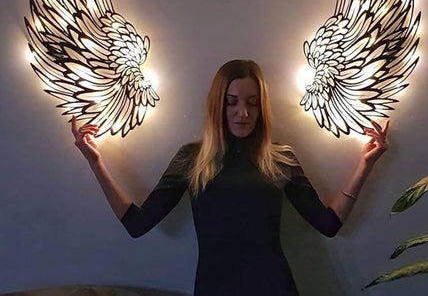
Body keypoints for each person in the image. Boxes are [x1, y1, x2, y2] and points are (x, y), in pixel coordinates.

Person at [72, 59, 388, 296]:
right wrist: (95, 162)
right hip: (215, 288)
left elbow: (328, 224)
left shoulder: (280, 159)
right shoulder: (192, 159)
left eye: (252, 103)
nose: (243, 113)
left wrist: (366, 166)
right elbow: (137, 225)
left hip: (274, 288)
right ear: (218, 105)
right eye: (232, 102)